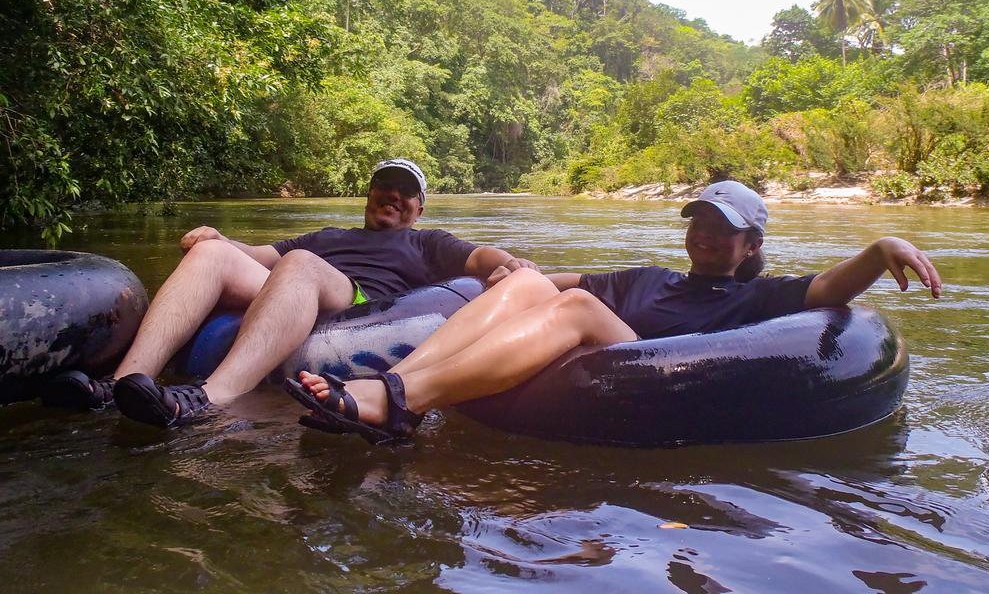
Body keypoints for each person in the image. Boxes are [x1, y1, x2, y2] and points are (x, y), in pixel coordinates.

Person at [287, 180, 942, 444]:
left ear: (751, 245)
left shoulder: (759, 296)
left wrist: (880, 249)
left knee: (572, 303)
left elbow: (830, 291)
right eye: (701, 222)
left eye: (724, 228)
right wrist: (510, 271)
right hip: (595, 350)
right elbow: (546, 280)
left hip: (651, 372)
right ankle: (395, 402)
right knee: (536, 286)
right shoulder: (648, 279)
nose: (707, 236)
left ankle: (398, 396)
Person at [42, 158, 537, 426]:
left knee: (300, 264)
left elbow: (479, 258)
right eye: (384, 184)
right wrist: (217, 238)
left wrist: (511, 265)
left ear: (419, 207)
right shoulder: (326, 237)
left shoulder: (426, 242)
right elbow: (253, 255)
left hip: (362, 305)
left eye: (406, 191)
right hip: (300, 286)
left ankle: (211, 398)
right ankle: (124, 381)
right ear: (368, 193)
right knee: (213, 256)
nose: (394, 195)